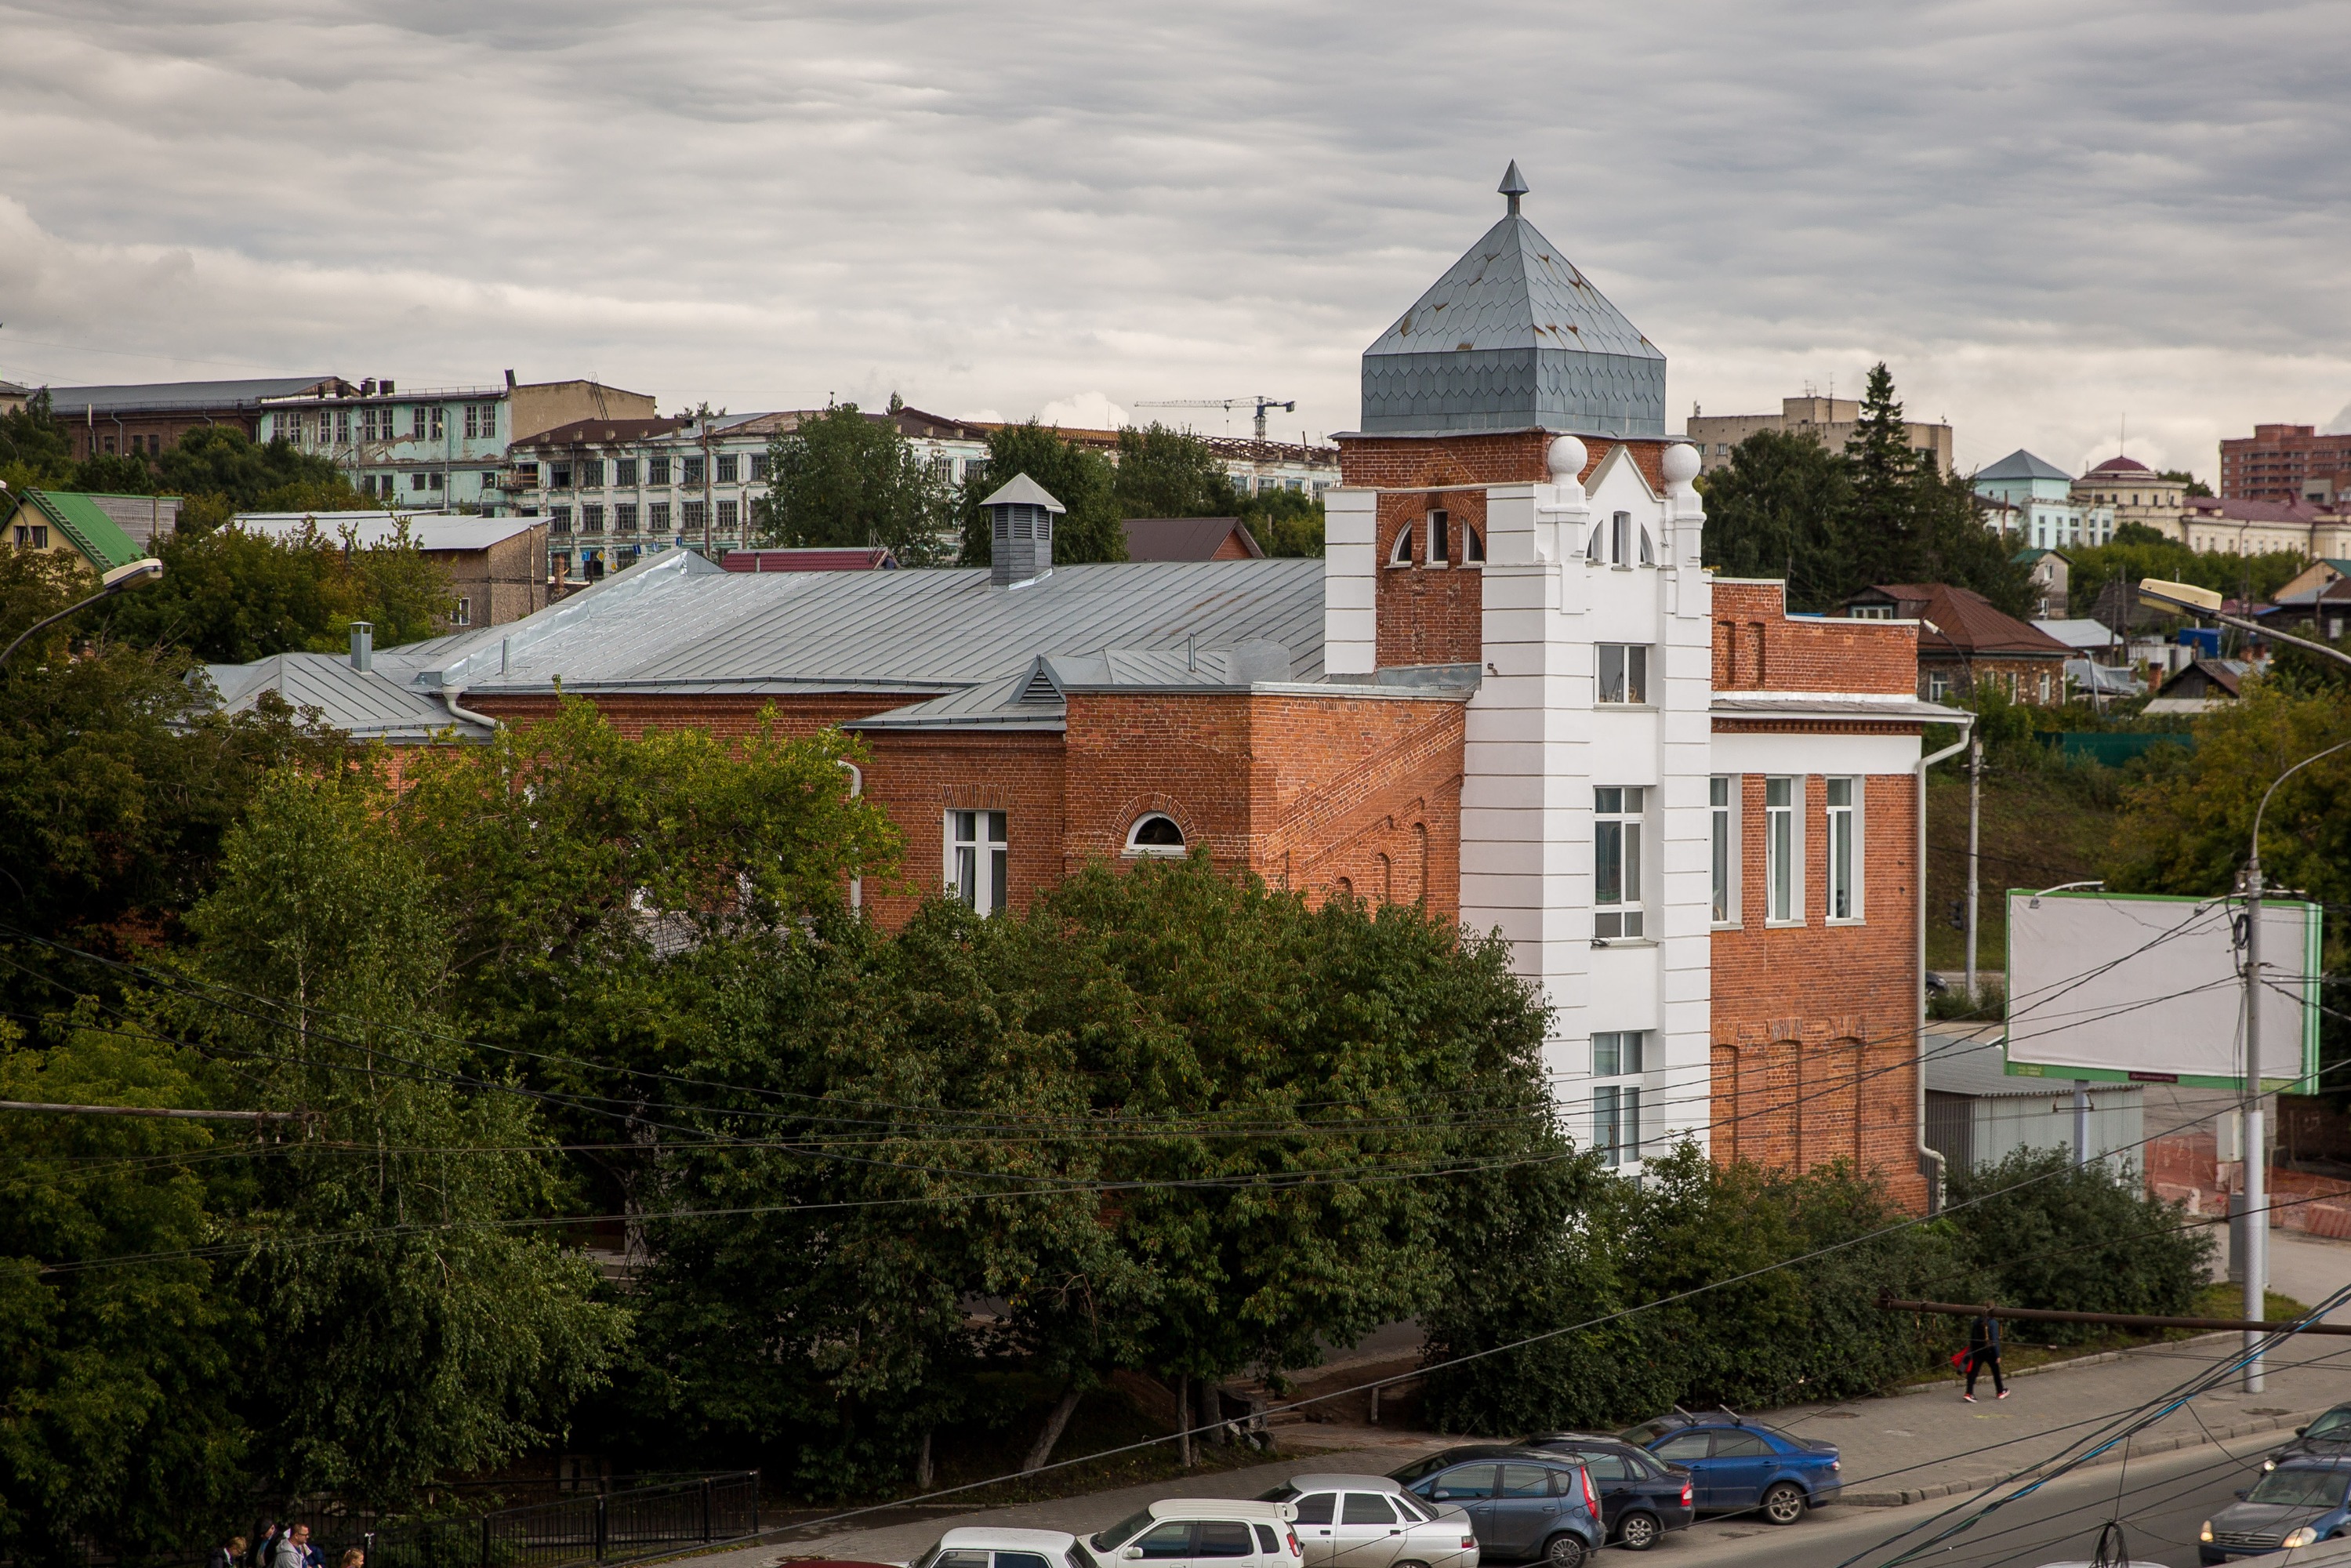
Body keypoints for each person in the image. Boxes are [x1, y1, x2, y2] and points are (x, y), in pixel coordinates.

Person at [1965, 1308, 2008, 1402]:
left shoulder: (1976, 1321)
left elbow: (1972, 1337)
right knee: (1996, 1371)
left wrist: (1972, 1349)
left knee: (1973, 1371)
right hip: (1990, 1351)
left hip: (1977, 1349)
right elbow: (1994, 1339)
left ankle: (1969, 1393)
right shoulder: (1993, 1322)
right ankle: (2000, 1391)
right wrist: (1997, 1355)